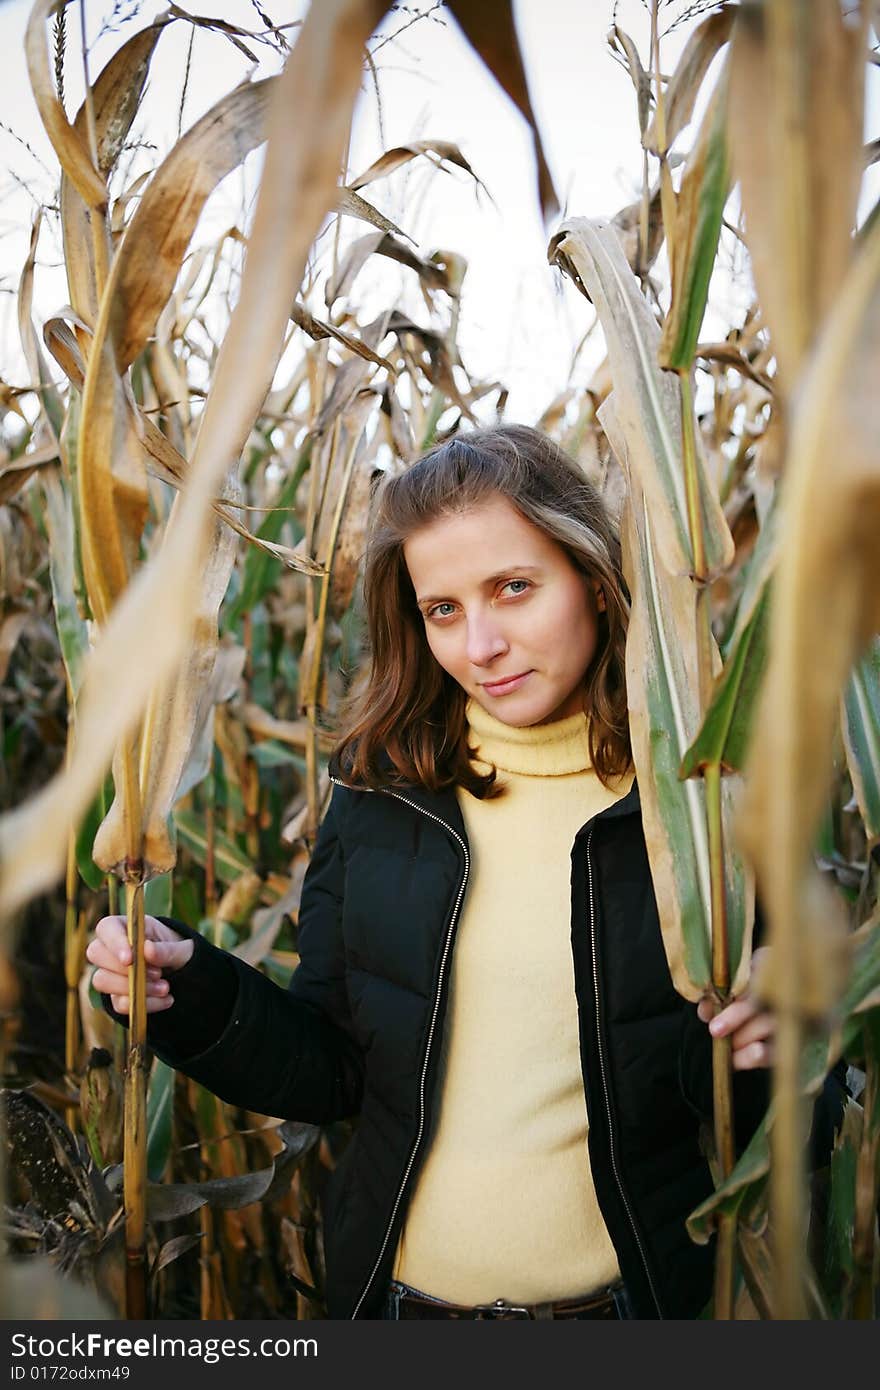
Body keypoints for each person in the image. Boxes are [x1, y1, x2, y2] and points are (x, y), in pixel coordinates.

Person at [88, 426, 839, 1320]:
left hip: (623, 1312)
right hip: (403, 1311)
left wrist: (777, 1057)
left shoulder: (704, 810)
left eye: (513, 588)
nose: (480, 644)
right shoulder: (381, 796)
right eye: (442, 609)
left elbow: (771, 1118)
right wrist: (191, 993)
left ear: (595, 581)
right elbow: (334, 1071)